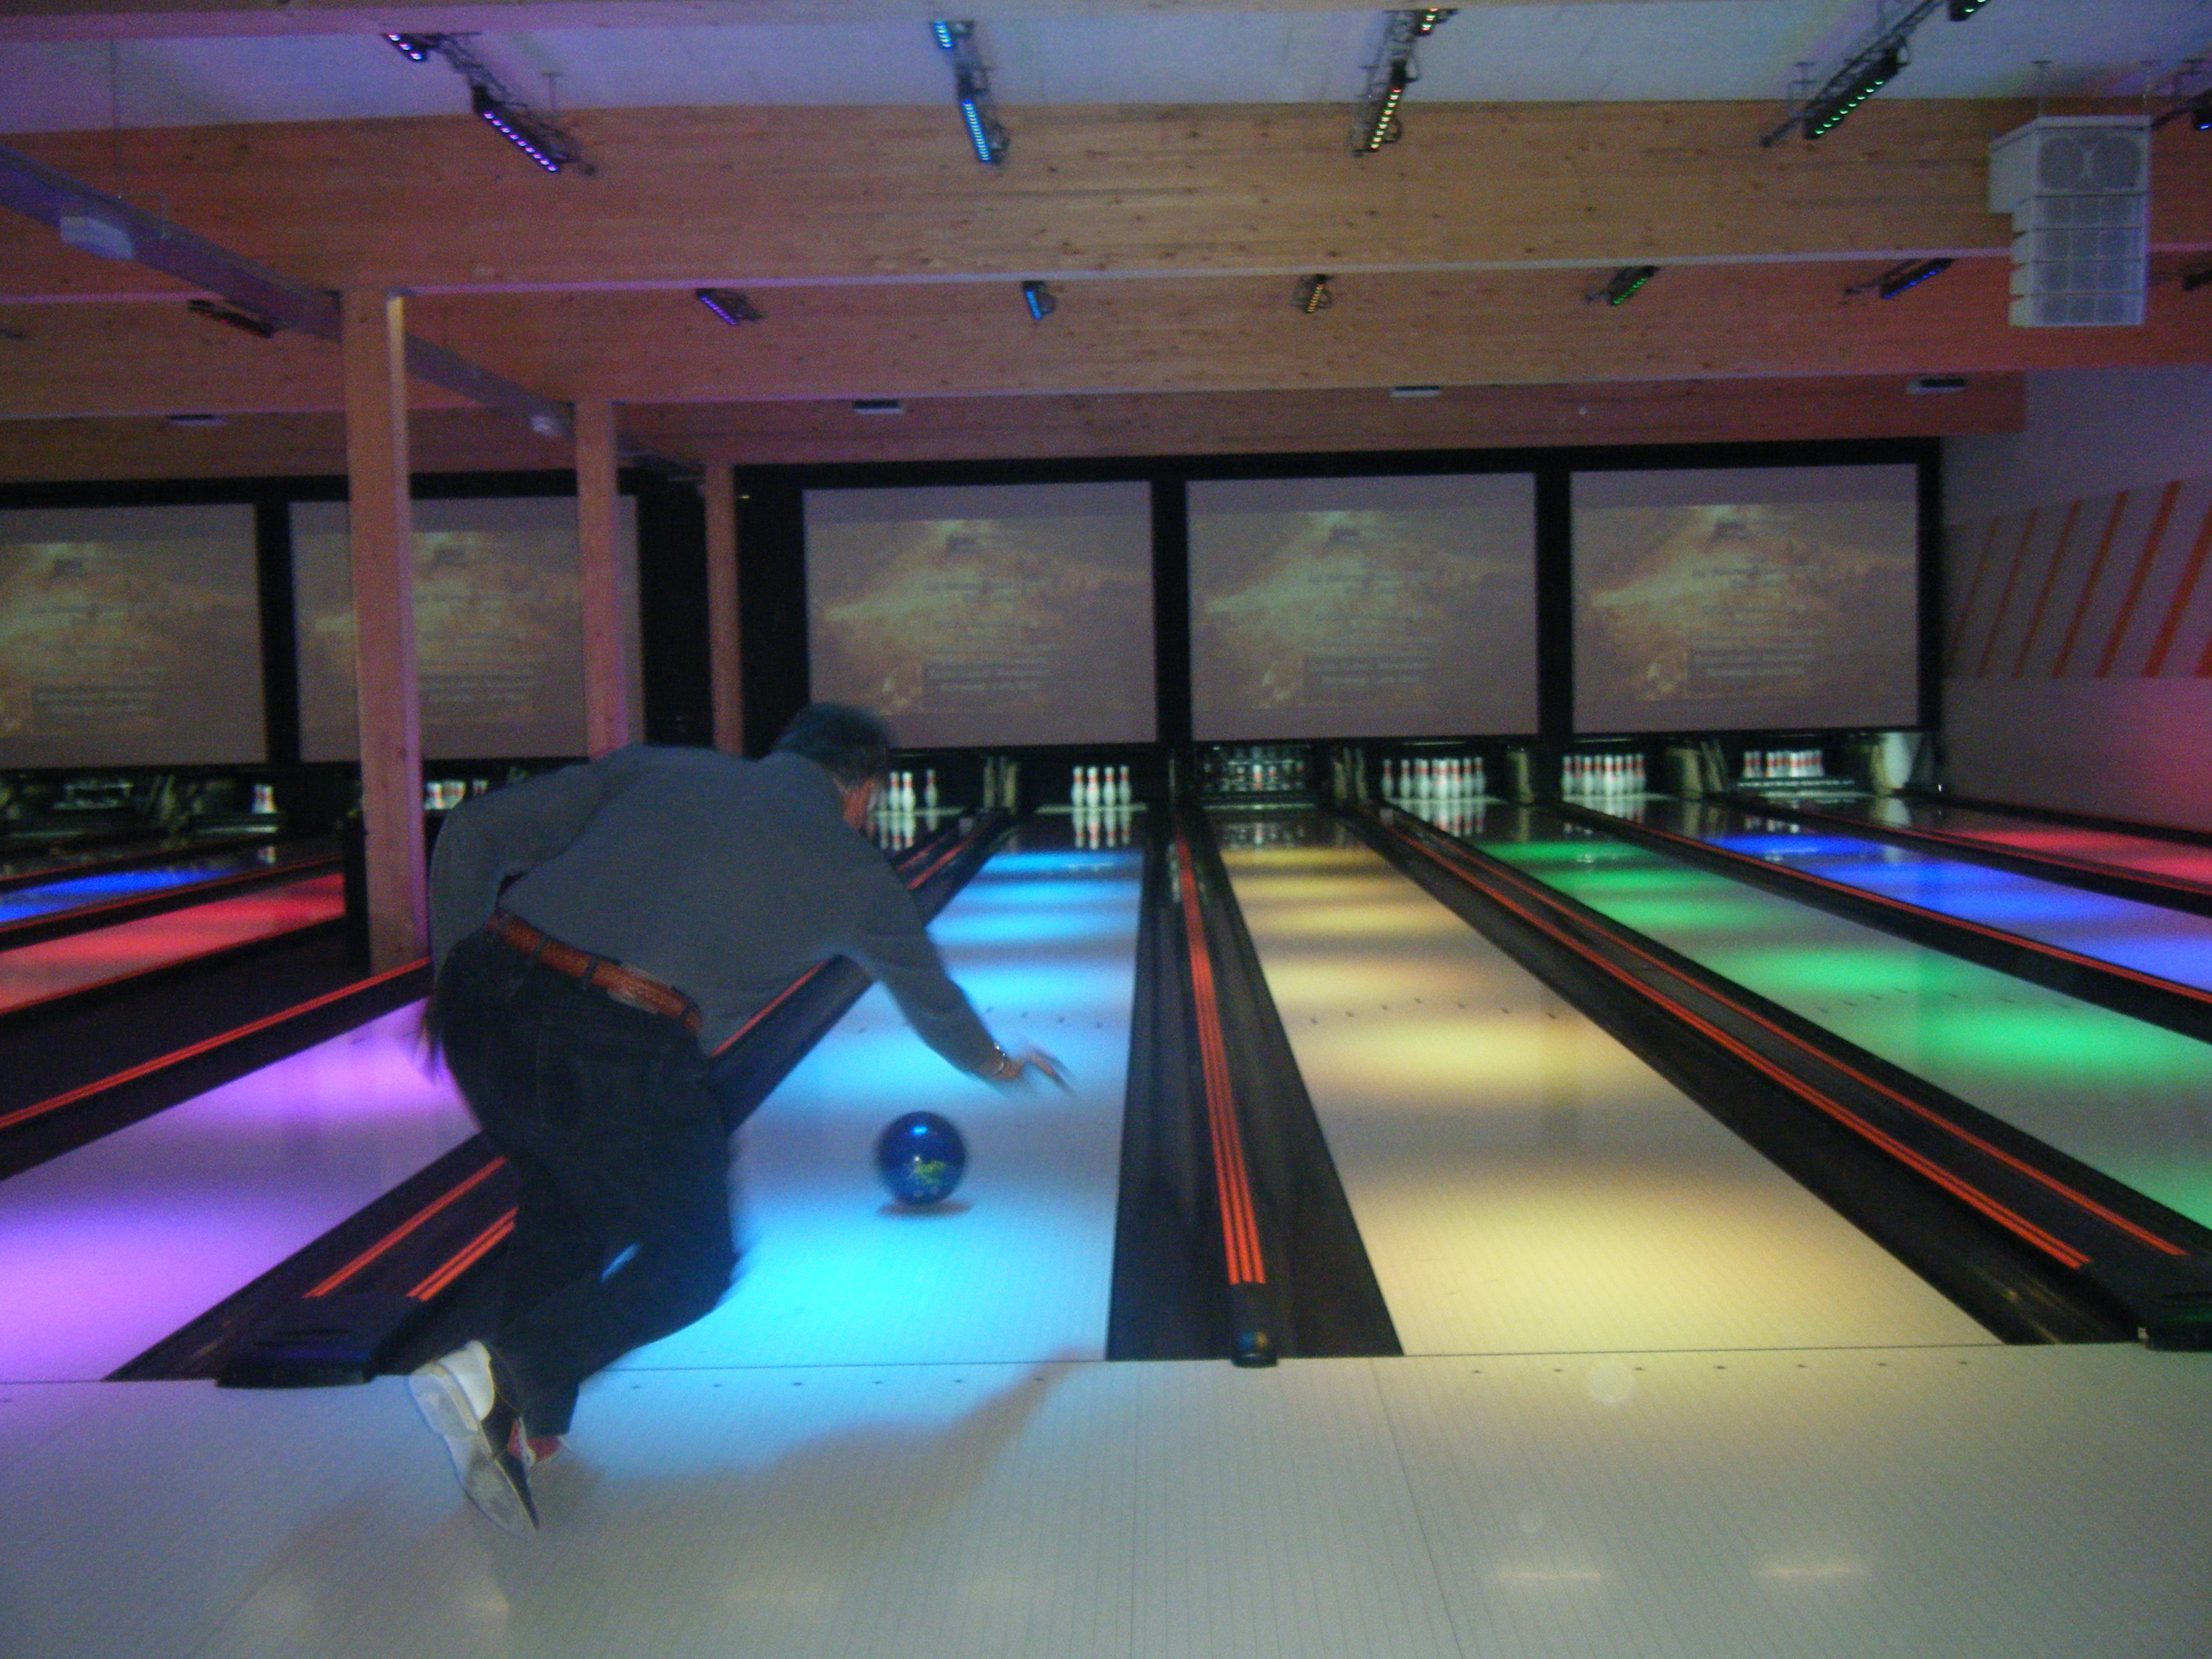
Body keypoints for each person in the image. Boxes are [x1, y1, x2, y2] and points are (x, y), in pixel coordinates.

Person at [407, 704, 1062, 1533]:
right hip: (619, 1041)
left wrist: (452, 977)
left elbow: (471, 831)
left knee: (564, 1205)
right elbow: (935, 1007)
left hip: (484, 1005)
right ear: (863, 792)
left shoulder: (657, 767)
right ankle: (499, 1376)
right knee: (692, 1264)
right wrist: (1001, 1065)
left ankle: (523, 1431)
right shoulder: (858, 876)